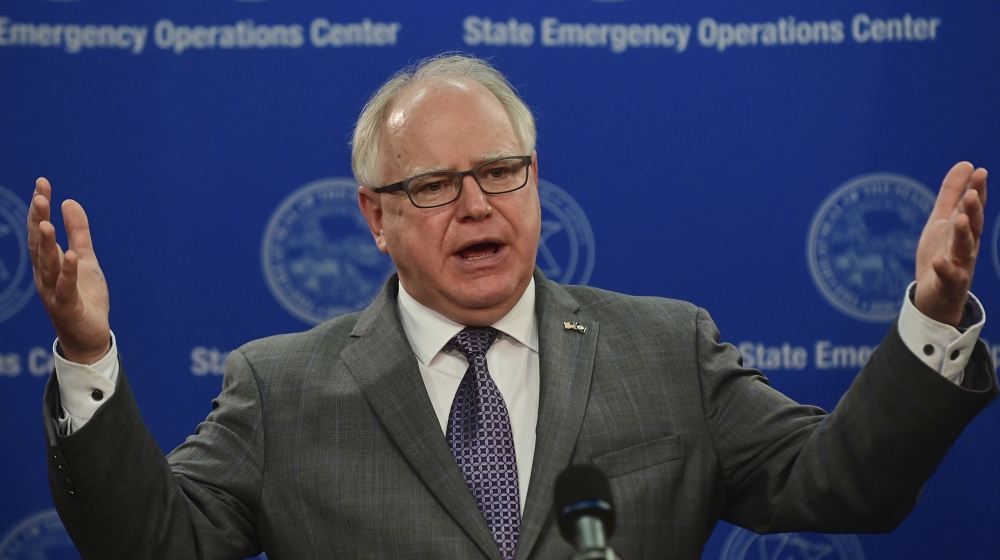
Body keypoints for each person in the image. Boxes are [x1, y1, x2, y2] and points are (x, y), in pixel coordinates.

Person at [29, 54, 994, 560]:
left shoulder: (667, 347)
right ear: (374, 216)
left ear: (537, 180)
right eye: (437, 185)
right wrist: (86, 352)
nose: (479, 205)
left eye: (501, 172)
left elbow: (842, 485)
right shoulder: (279, 390)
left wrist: (929, 318)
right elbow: (153, 544)